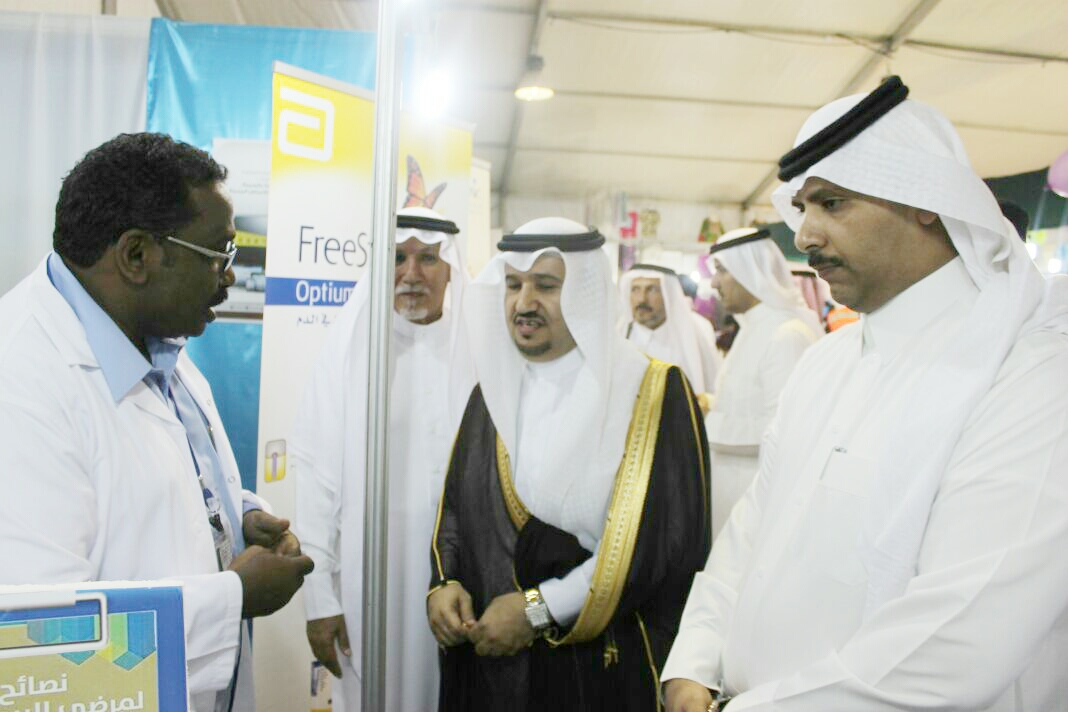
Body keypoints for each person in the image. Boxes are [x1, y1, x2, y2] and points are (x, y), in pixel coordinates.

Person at [661, 75, 1068, 711]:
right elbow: (751, 532)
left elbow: (959, 640)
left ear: (924, 198)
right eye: (802, 208)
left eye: (833, 203)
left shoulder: (1029, 374)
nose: (804, 235)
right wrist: (694, 662)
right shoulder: (826, 362)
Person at [0, 132, 314, 712]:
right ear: (137, 256)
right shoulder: (19, 384)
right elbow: (39, 640)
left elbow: (148, 486)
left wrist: (234, 516)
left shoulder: (153, 338)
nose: (229, 275)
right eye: (218, 254)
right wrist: (233, 597)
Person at [427, 218, 711, 711]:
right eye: (513, 284)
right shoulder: (490, 391)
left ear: (586, 293)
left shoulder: (651, 392)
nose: (524, 302)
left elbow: (663, 545)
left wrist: (538, 610)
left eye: (546, 286)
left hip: (598, 667)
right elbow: (457, 505)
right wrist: (444, 581)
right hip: (494, 668)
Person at [291, 207, 474, 712]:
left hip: (463, 582)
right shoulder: (351, 350)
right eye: (397, 258)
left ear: (451, 268)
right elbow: (316, 480)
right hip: (369, 579)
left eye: (428, 258)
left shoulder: (478, 351)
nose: (411, 273)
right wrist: (320, 601)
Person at [705, 227, 822, 534]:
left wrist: (703, 422)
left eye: (721, 270)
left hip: (758, 506)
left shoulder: (786, 335)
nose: (714, 283)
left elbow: (784, 431)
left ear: (750, 270)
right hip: (730, 500)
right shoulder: (751, 329)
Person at [620, 263, 722, 399]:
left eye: (652, 290)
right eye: (635, 289)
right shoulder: (619, 334)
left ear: (668, 294)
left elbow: (711, 390)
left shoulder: (693, 334)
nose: (642, 299)